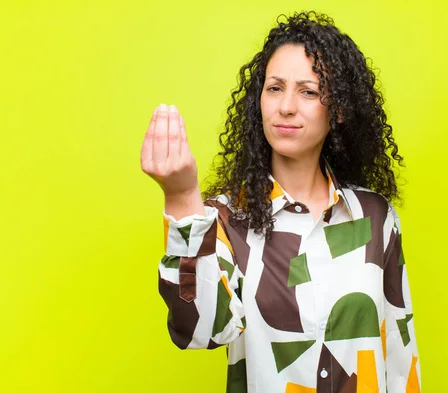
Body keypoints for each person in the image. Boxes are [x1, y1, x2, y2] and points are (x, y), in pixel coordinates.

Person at [140, 11, 421, 393]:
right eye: (274, 88)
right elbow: (199, 330)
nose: (286, 106)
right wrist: (182, 198)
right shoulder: (226, 219)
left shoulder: (375, 218)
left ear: (337, 108)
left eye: (308, 91)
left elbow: (401, 359)